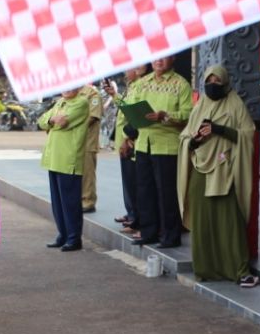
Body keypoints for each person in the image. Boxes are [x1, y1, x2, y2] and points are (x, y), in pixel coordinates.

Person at [177, 65, 257, 285]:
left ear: (225, 82)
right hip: (200, 169)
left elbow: (248, 134)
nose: (212, 85)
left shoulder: (235, 104)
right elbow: (185, 137)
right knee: (202, 223)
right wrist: (195, 140)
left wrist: (219, 129)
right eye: (208, 81)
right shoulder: (200, 105)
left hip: (224, 169)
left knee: (230, 222)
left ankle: (241, 271)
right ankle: (205, 269)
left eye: (217, 81)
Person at [125, 55, 192, 248]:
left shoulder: (181, 84)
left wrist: (165, 116)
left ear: (173, 59)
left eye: (164, 58)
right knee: (144, 191)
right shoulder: (142, 83)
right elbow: (131, 107)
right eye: (155, 58)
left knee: (167, 194)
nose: (159, 61)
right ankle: (149, 233)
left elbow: (188, 114)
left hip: (167, 145)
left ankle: (171, 236)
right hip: (143, 143)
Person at [38, 88, 89, 251]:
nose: (66, 89)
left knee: (70, 202)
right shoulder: (60, 102)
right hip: (53, 158)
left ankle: (74, 238)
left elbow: (63, 123)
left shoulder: (81, 102)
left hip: (68, 158)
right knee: (58, 202)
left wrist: (51, 122)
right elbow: (42, 121)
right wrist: (52, 120)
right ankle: (63, 234)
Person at [106, 66, 145, 232]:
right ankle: (131, 214)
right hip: (124, 139)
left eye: (130, 68)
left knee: (133, 181)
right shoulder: (132, 86)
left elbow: (135, 114)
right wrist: (114, 96)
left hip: (131, 140)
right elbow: (125, 108)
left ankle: (136, 218)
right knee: (127, 181)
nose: (125, 72)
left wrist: (129, 138)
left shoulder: (142, 86)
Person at [78, 84, 103, 213]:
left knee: (87, 173)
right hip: (73, 141)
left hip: (88, 140)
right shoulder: (71, 92)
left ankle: (88, 201)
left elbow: (93, 117)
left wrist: (76, 127)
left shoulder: (92, 94)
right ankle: (79, 199)